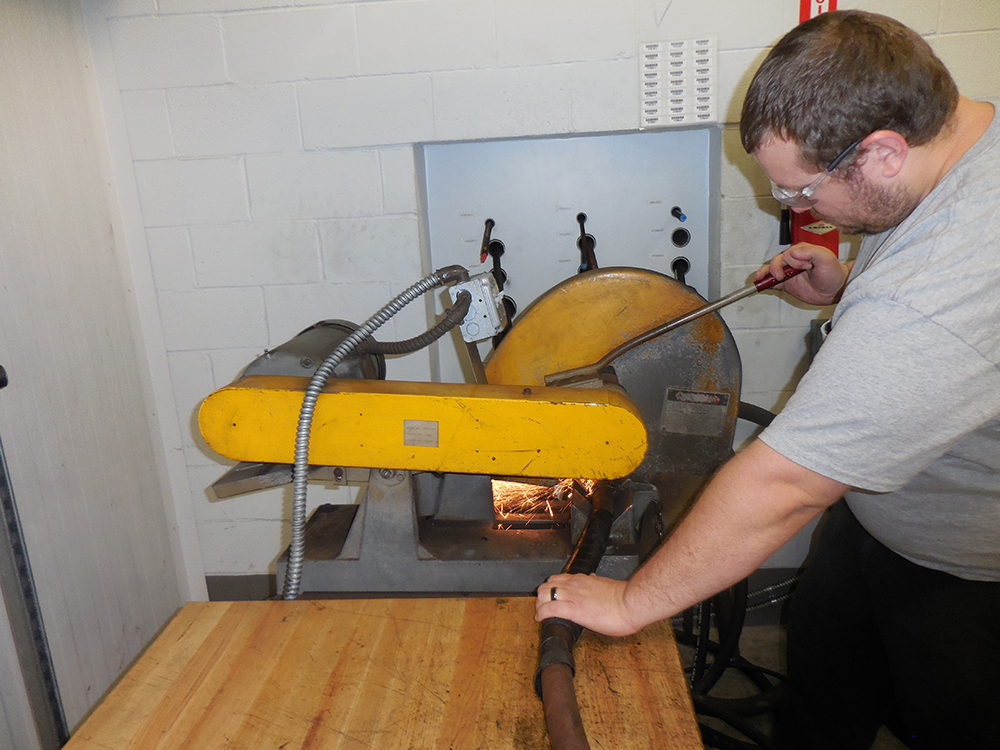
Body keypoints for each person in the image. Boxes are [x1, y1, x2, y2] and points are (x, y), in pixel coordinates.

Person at [535, 11, 1000, 750]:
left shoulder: (952, 274)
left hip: (966, 577)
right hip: (878, 523)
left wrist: (630, 603)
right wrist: (848, 287)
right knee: (819, 706)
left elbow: (783, 486)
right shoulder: (958, 157)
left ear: (880, 153)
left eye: (800, 193)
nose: (796, 209)